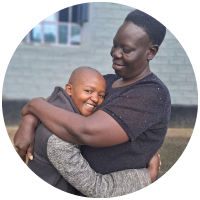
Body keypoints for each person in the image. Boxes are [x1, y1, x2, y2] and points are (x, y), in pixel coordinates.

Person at [14, 9, 168, 197]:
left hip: (115, 188)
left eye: (126, 49)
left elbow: (86, 131)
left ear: (150, 52)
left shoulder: (151, 92)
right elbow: (56, 105)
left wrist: (33, 105)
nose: (115, 53)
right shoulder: (107, 81)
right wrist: (30, 119)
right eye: (114, 45)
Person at [27, 66, 157, 197]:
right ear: (69, 89)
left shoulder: (54, 103)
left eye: (101, 95)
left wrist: (29, 117)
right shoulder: (58, 140)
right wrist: (148, 175)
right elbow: (97, 189)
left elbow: (42, 102)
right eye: (88, 91)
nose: (95, 99)